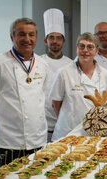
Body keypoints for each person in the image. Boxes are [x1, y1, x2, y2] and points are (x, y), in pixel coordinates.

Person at [0, 18, 50, 167]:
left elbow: (42, 97)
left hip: (37, 139)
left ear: (36, 38)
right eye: (21, 34)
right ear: (12, 37)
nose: (27, 39)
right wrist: (4, 122)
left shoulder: (43, 64)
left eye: (31, 35)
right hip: (8, 142)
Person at [50, 32, 107, 141]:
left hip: (95, 133)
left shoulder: (105, 74)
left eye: (90, 47)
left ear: (96, 51)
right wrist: (68, 119)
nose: (85, 50)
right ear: (77, 49)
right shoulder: (64, 73)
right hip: (68, 132)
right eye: (82, 46)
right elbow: (56, 103)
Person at [41, 8, 73, 142]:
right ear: (45, 40)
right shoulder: (39, 62)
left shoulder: (71, 64)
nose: (55, 41)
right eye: (51, 37)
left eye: (58, 38)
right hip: (43, 124)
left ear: (63, 41)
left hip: (65, 124)